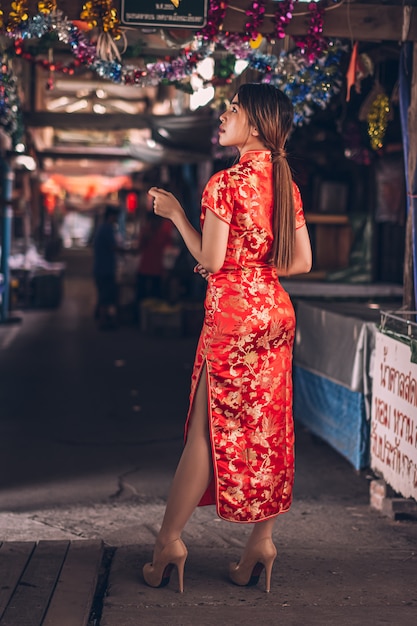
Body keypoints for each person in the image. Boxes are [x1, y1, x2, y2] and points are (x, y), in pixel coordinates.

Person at [143, 83, 312, 593]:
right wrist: (256, 269)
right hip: (275, 315)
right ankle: (261, 543)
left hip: (234, 318)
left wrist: (175, 213)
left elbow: (213, 261)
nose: (223, 115)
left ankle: (169, 543)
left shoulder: (225, 183)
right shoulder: (285, 184)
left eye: (232, 109)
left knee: (204, 431)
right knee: (269, 428)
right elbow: (301, 262)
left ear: (255, 125)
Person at [93, 204, 120, 329]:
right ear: (111, 216)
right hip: (105, 269)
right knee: (106, 296)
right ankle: (103, 322)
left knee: (103, 295)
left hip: (100, 268)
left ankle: (101, 318)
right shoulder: (107, 229)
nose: (117, 219)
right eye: (116, 216)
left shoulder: (101, 228)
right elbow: (113, 246)